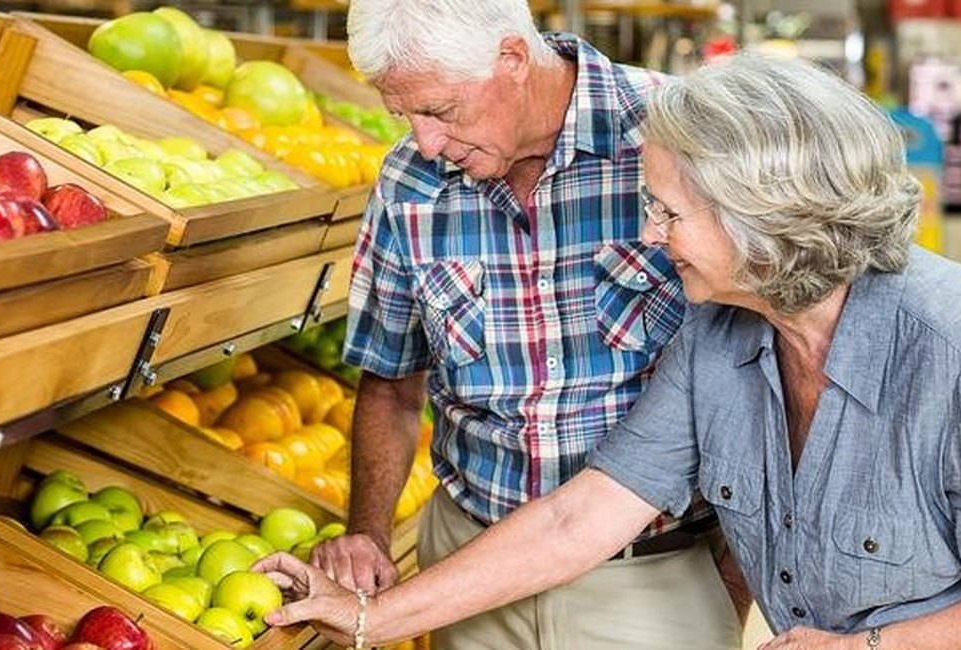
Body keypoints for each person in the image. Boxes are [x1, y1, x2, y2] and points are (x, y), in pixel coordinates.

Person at [258, 53, 961, 649]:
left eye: (667, 212)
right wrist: (365, 620)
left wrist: (869, 647)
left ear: (763, 219)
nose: (648, 235)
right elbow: (579, 517)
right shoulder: (718, 335)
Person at [310, 0, 744, 648]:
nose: (424, 142)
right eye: (403, 115)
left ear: (512, 58)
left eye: (439, 111)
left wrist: (739, 570)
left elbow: (767, 358)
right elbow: (392, 386)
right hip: (467, 569)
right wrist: (369, 534)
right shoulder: (409, 183)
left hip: (649, 575)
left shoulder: (675, 135)